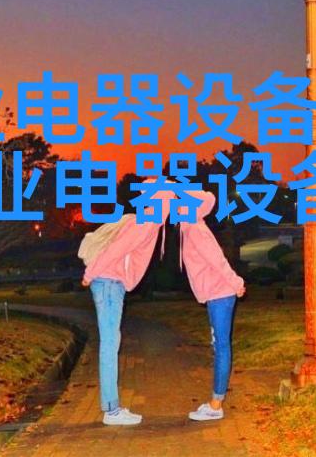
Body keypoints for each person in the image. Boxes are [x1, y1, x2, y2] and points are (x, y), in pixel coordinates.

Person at [81, 181, 175, 426]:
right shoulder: (146, 222)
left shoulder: (147, 221)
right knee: (110, 344)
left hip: (110, 283)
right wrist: (91, 273)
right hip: (109, 283)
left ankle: (112, 408)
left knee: (111, 342)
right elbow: (115, 250)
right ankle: (111, 411)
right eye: (168, 200)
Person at [179, 188, 245, 422]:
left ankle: (216, 404)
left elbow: (218, 260)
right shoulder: (190, 228)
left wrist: (236, 282)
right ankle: (215, 401)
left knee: (221, 347)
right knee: (219, 345)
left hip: (221, 293)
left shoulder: (196, 229)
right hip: (216, 294)